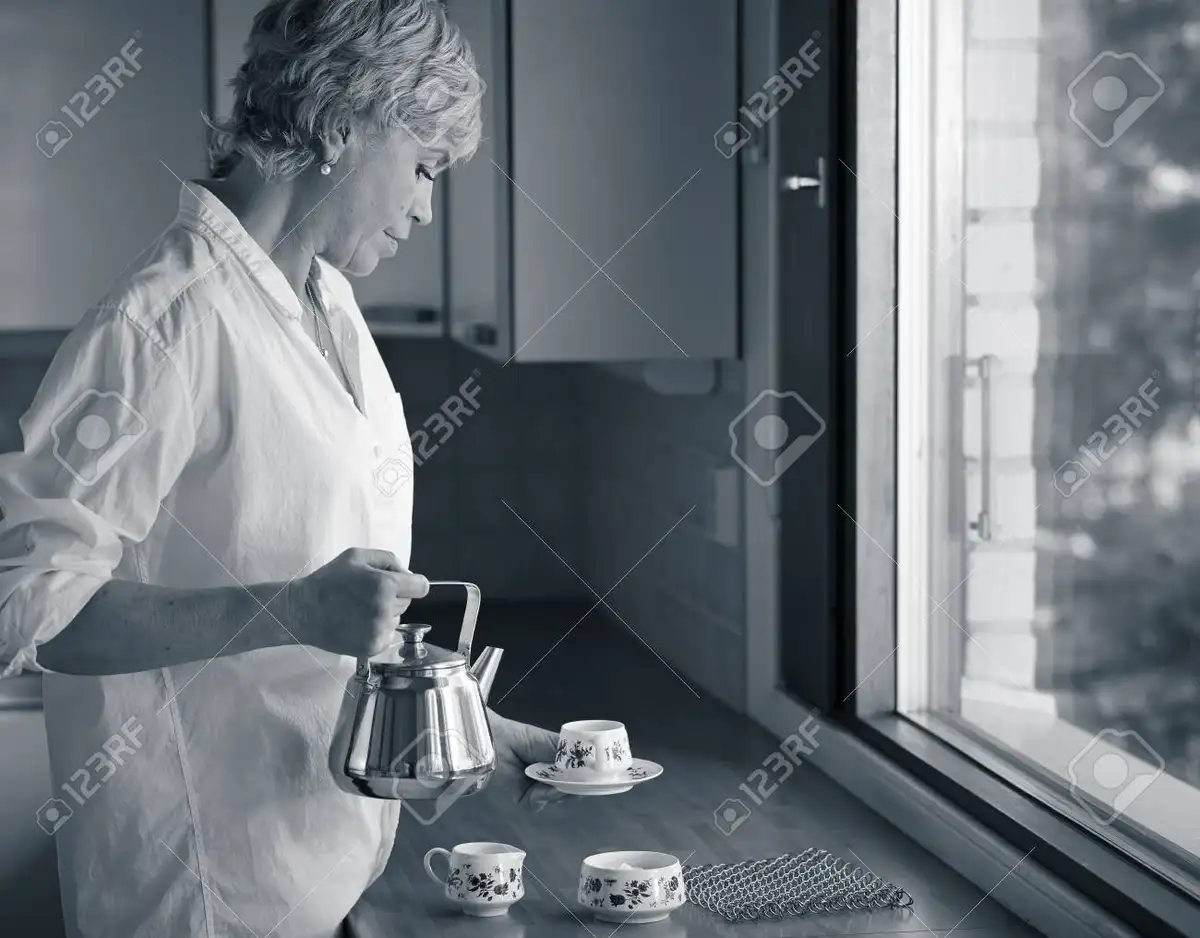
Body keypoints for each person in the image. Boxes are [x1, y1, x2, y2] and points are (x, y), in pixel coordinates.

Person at [0, 2, 565, 935]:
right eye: (424, 168)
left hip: (320, 874)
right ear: (343, 125)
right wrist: (286, 608)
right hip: (200, 895)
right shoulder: (164, 323)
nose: (427, 206)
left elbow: (332, 624)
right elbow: (30, 603)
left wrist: (472, 739)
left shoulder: (328, 305)